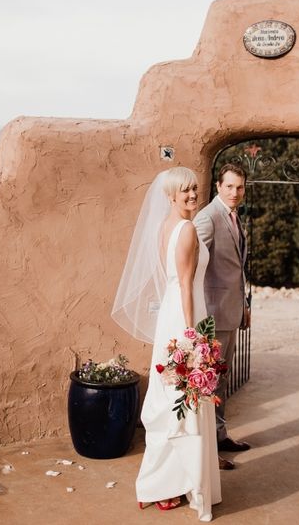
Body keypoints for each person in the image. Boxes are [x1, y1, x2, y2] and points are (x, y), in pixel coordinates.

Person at [112, 167, 221, 521]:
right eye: (184, 191)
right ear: (170, 197)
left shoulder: (166, 228)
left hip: (172, 317)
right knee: (182, 403)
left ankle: (159, 482)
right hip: (184, 319)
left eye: (193, 188)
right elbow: (187, 285)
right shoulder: (187, 228)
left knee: (172, 400)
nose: (192, 194)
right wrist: (193, 338)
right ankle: (166, 484)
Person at [194, 163, 251, 470]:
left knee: (221, 380)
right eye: (229, 186)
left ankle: (219, 435)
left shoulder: (233, 216)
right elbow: (191, 264)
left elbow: (235, 269)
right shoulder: (208, 218)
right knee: (208, 381)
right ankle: (206, 451)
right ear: (218, 186)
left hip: (230, 311)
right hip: (212, 315)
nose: (235, 193)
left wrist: (243, 306)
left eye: (240, 187)